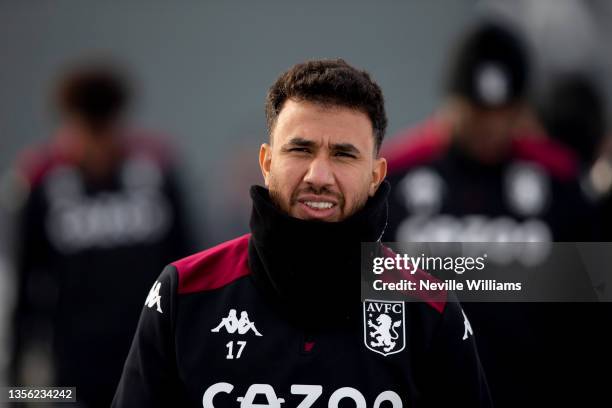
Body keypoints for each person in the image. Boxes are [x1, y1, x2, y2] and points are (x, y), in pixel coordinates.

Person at [112, 59, 492, 407]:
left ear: (376, 176)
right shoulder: (185, 293)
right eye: (300, 150)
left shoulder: (429, 310)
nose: (319, 177)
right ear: (267, 162)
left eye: (343, 155)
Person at [382, 21, 609, 406]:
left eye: (501, 112)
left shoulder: (560, 184)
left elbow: (591, 315)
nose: (489, 126)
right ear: (450, 102)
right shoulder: (395, 179)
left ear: (520, 109)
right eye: (476, 111)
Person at [10, 62, 193, 407]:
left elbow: (188, 265)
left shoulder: (155, 175)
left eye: (103, 130)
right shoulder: (42, 183)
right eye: (85, 130)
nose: (95, 145)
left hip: (148, 354)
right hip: (71, 370)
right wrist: (17, 390)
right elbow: (25, 287)